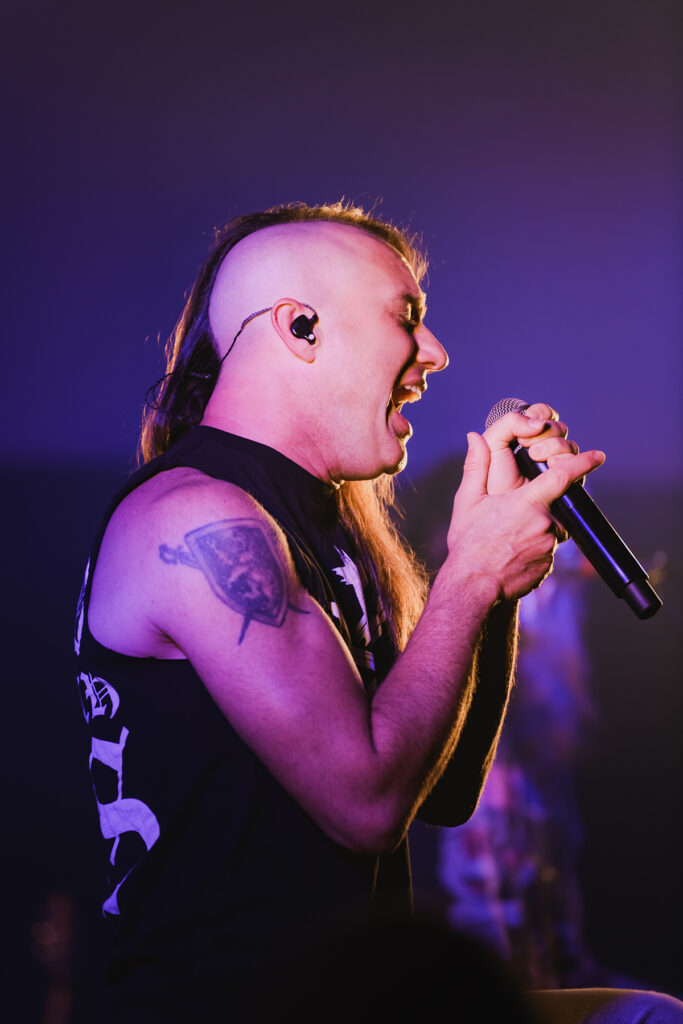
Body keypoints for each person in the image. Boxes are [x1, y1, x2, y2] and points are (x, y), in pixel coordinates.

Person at [74, 201, 682, 1022]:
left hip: (359, 1004)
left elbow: (441, 789)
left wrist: (493, 584)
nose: (434, 352)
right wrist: (469, 575)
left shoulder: (329, 526)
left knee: (647, 1016)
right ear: (301, 328)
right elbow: (365, 806)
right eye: (406, 317)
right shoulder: (196, 518)